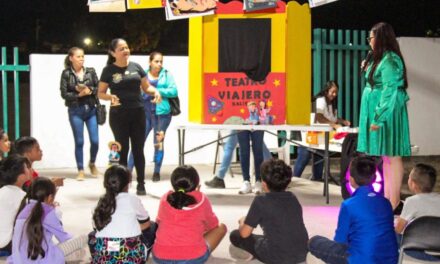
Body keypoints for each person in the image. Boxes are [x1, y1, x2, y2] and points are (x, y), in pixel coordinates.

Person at [357, 22, 411, 210]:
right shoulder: (379, 58)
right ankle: (388, 200)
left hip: (388, 114)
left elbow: (390, 90)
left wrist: (378, 117)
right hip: (381, 112)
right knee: (387, 157)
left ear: (380, 38)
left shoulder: (390, 60)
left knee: (393, 155)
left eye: (370, 38)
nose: (369, 42)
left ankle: (394, 201)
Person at [98, 38, 162, 195]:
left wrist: (156, 92)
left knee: (138, 149)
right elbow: (100, 93)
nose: (126, 50)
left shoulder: (137, 67)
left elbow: (146, 88)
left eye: (126, 47)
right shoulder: (108, 71)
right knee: (123, 149)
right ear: (113, 53)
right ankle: (123, 184)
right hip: (118, 115)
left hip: (138, 113)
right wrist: (110, 98)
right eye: (121, 49)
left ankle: (141, 183)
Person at [308, 156, 398, 264]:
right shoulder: (386, 202)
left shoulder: (348, 205)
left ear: (351, 179)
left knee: (315, 241)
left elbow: (340, 241)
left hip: (360, 260)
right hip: (391, 260)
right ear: (374, 178)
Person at [229, 159, 308, 264]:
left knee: (235, 235)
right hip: (302, 252)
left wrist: (243, 221)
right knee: (276, 237)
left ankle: (251, 254)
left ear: (264, 184)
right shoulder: (293, 198)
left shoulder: (261, 201)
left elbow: (244, 234)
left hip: (276, 257)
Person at [152, 165, 227, 263]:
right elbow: (213, 225)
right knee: (221, 227)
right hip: (191, 258)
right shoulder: (202, 199)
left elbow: (158, 223)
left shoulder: (165, 198)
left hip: (160, 258)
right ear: (197, 185)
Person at [8, 177, 87, 263]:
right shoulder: (48, 211)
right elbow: (64, 237)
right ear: (50, 197)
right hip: (43, 260)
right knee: (82, 239)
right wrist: (57, 212)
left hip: (18, 260)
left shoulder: (23, 209)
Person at [128, 51, 178, 182]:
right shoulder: (142, 75)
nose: (159, 64)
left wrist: (157, 91)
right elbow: (135, 92)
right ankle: (128, 171)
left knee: (158, 143)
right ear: (150, 62)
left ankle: (156, 172)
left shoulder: (167, 74)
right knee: (137, 142)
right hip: (144, 114)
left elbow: (174, 91)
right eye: (156, 61)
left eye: (161, 61)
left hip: (162, 115)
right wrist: (148, 92)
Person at [90, 165, 156, 263]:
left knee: (91, 235)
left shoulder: (100, 203)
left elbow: (96, 227)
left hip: (104, 254)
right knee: (153, 226)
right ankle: (144, 256)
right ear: (128, 183)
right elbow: (146, 224)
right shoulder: (132, 199)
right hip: (130, 254)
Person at [293, 80, 350, 181]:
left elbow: (332, 118)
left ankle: (317, 180)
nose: (334, 94)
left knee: (320, 155)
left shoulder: (331, 104)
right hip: (309, 134)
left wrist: (343, 121)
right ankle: (293, 179)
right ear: (326, 91)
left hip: (320, 136)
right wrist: (334, 125)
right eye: (332, 91)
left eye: (336, 92)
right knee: (304, 155)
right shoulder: (321, 100)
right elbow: (319, 117)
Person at [60, 47, 100, 181]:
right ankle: (81, 169)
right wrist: (78, 94)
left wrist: (90, 89)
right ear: (71, 58)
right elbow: (64, 94)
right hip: (75, 111)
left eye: (83, 56)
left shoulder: (91, 71)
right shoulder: (66, 73)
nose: (82, 59)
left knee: (95, 141)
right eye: (78, 56)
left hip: (91, 110)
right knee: (79, 141)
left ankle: (92, 163)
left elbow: (99, 87)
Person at [395, 163, 440, 261]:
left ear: (413, 184)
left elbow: (398, 229)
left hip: (420, 252)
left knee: (391, 235)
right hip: (438, 251)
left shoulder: (412, 201)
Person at [205, 130, 272, 189]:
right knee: (260, 147)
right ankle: (273, 170)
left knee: (229, 147)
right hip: (251, 121)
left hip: (241, 121)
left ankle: (219, 177)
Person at [0, 155, 31, 256]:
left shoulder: (1, 192)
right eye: (27, 167)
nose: (30, 169)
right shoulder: (22, 197)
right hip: (7, 245)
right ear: (20, 176)